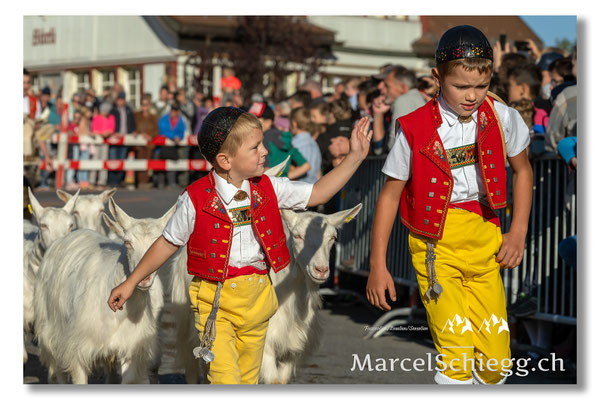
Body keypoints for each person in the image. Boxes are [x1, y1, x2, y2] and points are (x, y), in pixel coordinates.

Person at [107, 106, 373, 384]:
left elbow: (318, 192)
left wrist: (354, 157)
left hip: (258, 298)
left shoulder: (269, 187)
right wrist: (131, 281)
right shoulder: (195, 199)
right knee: (225, 379)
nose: (265, 152)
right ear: (225, 159)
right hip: (214, 301)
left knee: (247, 380)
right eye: (255, 147)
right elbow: (167, 243)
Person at [366, 25, 533, 385]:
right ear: (437, 77)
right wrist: (377, 264)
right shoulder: (413, 127)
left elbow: (523, 171)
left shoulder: (503, 118)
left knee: (496, 361)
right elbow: (390, 194)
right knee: (455, 351)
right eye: (461, 86)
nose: (473, 96)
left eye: (481, 86)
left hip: (486, 238)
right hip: (434, 245)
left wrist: (517, 232)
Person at [373, 65, 428, 152]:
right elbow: (378, 148)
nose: (383, 90)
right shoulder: (415, 98)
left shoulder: (404, 100)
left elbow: (395, 144)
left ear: (402, 88)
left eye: (388, 86)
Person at [108, 91, 136, 187]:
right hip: (114, 137)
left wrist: (133, 131)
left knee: (122, 159)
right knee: (113, 159)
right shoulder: (112, 110)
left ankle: (118, 181)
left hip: (125, 138)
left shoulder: (128, 110)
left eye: (122, 99)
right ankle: (112, 181)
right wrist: (113, 132)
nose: (120, 101)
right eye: (119, 99)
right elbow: (109, 123)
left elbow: (132, 123)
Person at [155, 102, 186, 188]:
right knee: (160, 164)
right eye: (172, 110)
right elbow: (162, 131)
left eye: (175, 110)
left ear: (178, 111)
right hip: (161, 147)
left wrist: (178, 137)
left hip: (172, 147)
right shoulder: (164, 119)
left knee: (172, 163)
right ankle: (160, 183)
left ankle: (171, 182)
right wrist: (174, 136)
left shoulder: (180, 120)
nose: (173, 112)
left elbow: (182, 132)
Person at [289, 107, 321, 184]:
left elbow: (303, 168)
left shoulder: (295, 143)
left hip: (300, 187)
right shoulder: (314, 143)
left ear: (294, 123)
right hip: (314, 186)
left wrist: (284, 177)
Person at [133, 98, 159, 188]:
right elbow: (134, 128)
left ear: (149, 106)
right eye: (143, 105)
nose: (145, 107)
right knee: (139, 162)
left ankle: (145, 182)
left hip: (150, 143)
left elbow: (156, 130)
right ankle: (140, 182)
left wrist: (150, 136)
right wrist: (141, 133)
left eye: (147, 105)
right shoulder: (136, 115)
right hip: (139, 143)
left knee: (148, 162)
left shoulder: (153, 117)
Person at [91, 101, 116, 188]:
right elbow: (94, 130)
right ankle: (92, 179)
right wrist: (102, 134)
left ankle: (102, 180)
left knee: (104, 160)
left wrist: (107, 133)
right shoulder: (96, 118)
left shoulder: (111, 117)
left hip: (106, 142)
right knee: (95, 160)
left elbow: (111, 129)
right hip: (97, 142)